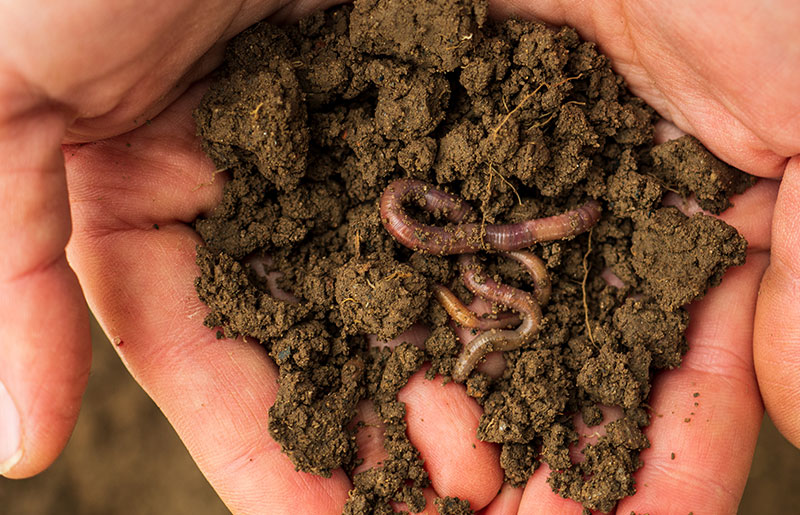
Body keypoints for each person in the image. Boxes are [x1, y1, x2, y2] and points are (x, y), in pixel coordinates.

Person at [0, 0, 797, 513]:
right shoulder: (447, 242)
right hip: (467, 245)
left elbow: (494, 243)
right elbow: (460, 236)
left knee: (496, 259)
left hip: (481, 252)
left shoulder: (498, 259)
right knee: (488, 256)